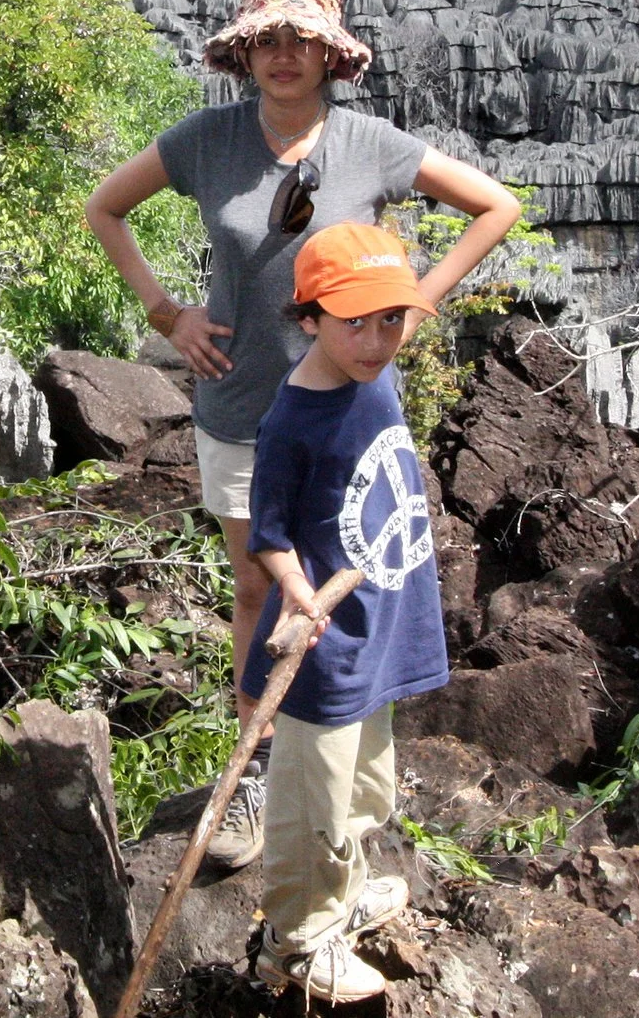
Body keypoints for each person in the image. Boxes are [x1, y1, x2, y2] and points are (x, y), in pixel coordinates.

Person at [82, 0, 520, 871]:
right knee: (260, 589)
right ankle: (260, 775)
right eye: (268, 39)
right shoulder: (209, 139)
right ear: (246, 52)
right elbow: (105, 208)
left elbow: (496, 205)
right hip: (244, 403)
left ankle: (351, 778)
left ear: (331, 52)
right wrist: (170, 316)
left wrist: (417, 301)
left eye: (302, 40)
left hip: (354, 413)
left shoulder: (370, 144)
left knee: (360, 586)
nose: (284, 56)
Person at [244, 222, 448, 1002]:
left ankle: (345, 887)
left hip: (377, 621)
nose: (374, 340)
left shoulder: (376, 377)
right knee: (313, 793)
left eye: (390, 319)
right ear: (308, 319)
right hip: (323, 640)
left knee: (367, 783)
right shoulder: (292, 421)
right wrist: (297, 592)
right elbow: (269, 533)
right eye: (353, 322)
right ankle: (296, 937)